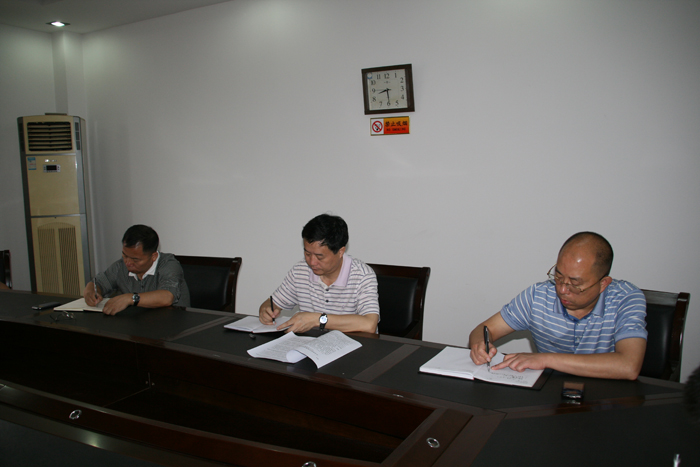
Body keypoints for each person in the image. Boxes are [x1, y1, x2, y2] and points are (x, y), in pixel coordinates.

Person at [469, 231, 647, 380]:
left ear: (603, 284)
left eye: (575, 284)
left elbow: (629, 366)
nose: (562, 290)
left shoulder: (626, 299)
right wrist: (479, 345)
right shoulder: (537, 296)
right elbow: (485, 329)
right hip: (551, 391)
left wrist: (546, 360)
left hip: (607, 394)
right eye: (559, 277)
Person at [259, 213, 379, 334]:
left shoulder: (362, 276)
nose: (312, 262)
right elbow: (273, 303)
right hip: (309, 342)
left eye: (319, 256)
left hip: (349, 344)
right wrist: (266, 310)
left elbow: (369, 324)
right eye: (307, 254)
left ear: (340, 251)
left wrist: (317, 319)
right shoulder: (300, 271)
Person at [83, 224, 190, 315]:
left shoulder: (168, 265)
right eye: (125, 255)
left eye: (135, 259)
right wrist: (90, 292)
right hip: (137, 324)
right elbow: (98, 282)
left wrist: (131, 298)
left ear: (153, 256)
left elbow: (167, 297)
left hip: (171, 325)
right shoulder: (120, 266)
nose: (128, 262)